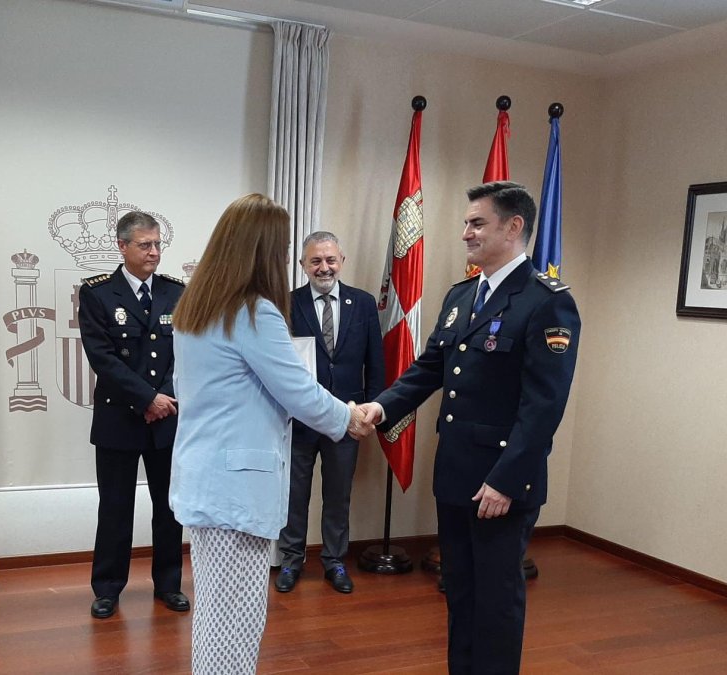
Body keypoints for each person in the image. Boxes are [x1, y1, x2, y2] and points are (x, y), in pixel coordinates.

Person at [360, 181, 581, 674]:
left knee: (497, 601)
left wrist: (506, 479)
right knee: (459, 591)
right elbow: (430, 368)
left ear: (514, 227)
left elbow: (544, 406)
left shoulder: (544, 302)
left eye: (476, 223)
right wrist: (381, 408)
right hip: (457, 475)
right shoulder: (464, 295)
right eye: (466, 223)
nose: (465, 233)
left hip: (500, 483)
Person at [169, 194, 370, 674]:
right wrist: (349, 417)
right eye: (280, 250)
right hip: (237, 486)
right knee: (234, 618)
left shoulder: (197, 306)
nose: (285, 260)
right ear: (260, 252)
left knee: (222, 615)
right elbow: (299, 392)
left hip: (208, 479)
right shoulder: (253, 312)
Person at [77, 211, 190, 619]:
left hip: (168, 417)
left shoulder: (176, 292)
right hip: (119, 419)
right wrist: (147, 399)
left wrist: (166, 398)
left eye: (158, 244)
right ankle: (107, 588)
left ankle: (169, 584)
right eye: (145, 245)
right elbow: (103, 358)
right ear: (122, 246)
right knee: (115, 507)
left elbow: (188, 355)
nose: (154, 252)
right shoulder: (98, 293)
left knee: (169, 506)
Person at [274, 231, 385, 595]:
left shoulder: (364, 303)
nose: (324, 267)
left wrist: (372, 409)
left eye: (330, 260)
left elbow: (375, 362)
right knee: (295, 494)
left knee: (338, 495)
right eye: (316, 261)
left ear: (342, 261)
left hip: (347, 419)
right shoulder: (286, 304)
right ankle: (291, 560)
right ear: (303, 265)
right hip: (300, 420)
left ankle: (335, 561)